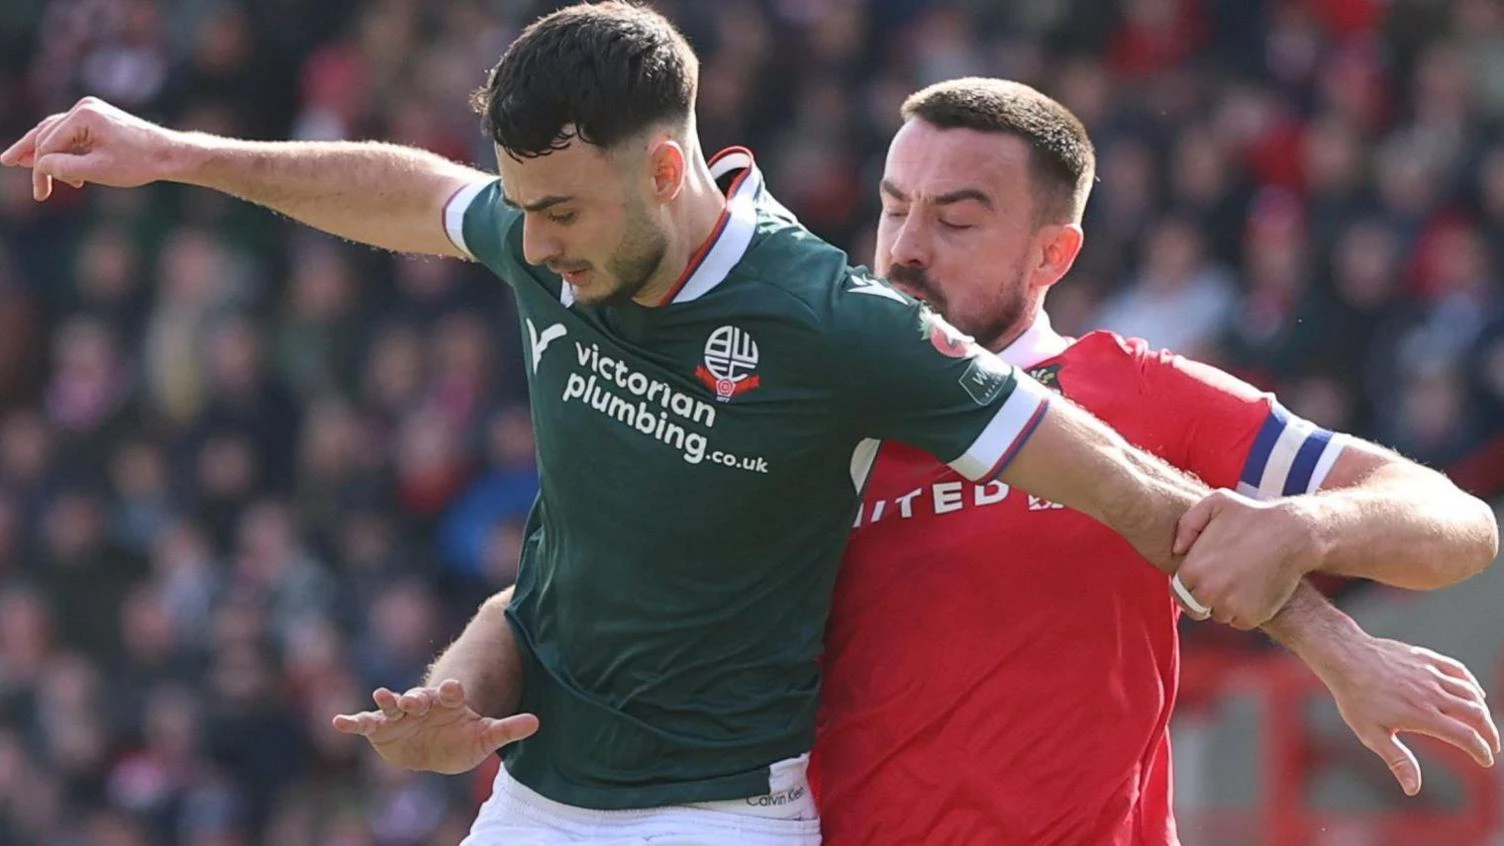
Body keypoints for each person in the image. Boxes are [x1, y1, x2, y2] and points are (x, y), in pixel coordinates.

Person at [0, 4, 1424, 843]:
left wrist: (1335, 630)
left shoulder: (841, 328)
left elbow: (1126, 484)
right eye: (523, 206)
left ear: (666, 168)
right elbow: (409, 191)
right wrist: (175, 154)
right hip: (540, 796)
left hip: (720, 815)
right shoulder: (553, 231)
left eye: (561, 210)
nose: (532, 244)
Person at [809, 77, 1502, 845]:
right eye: (895, 206)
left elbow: (1458, 521)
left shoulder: (1134, 390)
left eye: (957, 221)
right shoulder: (812, 413)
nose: (905, 247)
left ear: (1052, 255)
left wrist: (1305, 528)